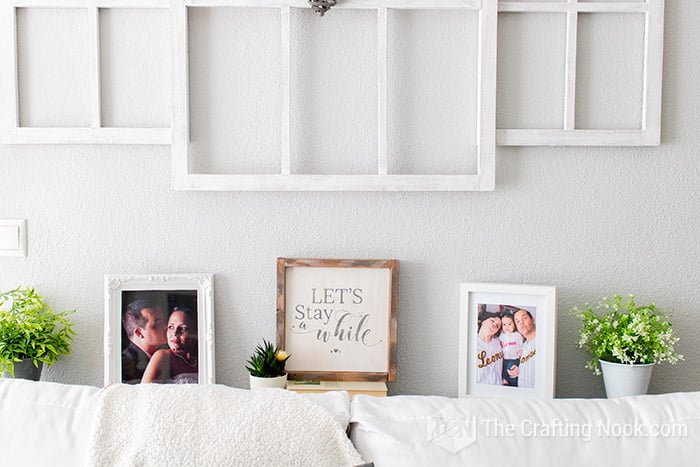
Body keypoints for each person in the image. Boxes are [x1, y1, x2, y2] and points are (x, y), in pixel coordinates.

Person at [142, 306, 198, 384]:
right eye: (171, 327)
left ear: (195, 332)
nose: (174, 333)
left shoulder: (201, 360)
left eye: (182, 328)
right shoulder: (163, 356)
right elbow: (145, 392)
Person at [122, 299, 168, 384]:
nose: (166, 327)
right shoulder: (126, 365)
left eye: (164, 321)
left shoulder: (165, 354)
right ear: (139, 333)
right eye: (157, 322)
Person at [510, 308, 536, 388]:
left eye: (524, 318)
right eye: (517, 321)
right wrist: (519, 369)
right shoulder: (524, 346)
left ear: (533, 320)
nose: (521, 322)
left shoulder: (544, 340)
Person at [476, 313, 503, 386]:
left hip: (498, 388)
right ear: (483, 321)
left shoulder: (500, 343)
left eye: (498, 326)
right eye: (493, 321)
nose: (495, 325)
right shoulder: (470, 342)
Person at [499, 312, 523, 386]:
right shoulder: (502, 336)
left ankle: (513, 382)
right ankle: (504, 380)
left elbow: (522, 345)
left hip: (514, 358)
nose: (507, 327)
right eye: (504, 325)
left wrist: (521, 351)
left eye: (509, 324)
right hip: (504, 358)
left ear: (514, 325)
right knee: (502, 369)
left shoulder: (517, 335)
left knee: (511, 368)